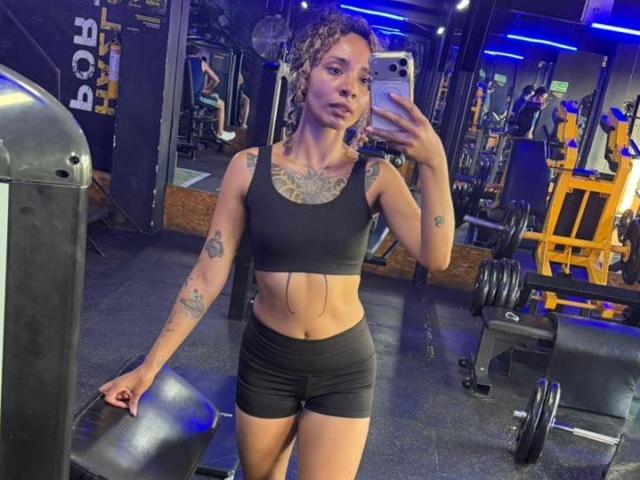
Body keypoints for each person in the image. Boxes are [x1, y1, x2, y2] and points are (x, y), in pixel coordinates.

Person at [100, 11, 454, 480]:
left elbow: (436, 256)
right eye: (335, 69)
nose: (350, 88)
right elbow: (207, 273)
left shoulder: (376, 176)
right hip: (268, 362)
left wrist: (434, 163)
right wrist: (150, 368)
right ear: (304, 75)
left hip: (343, 367)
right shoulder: (248, 168)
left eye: (365, 80)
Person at [186, 44, 236, 142]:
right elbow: (216, 80)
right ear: (198, 54)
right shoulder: (201, 63)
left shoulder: (182, 62)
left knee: (214, 97)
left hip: (183, 98)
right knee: (221, 104)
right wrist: (207, 89)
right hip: (197, 98)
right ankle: (220, 133)